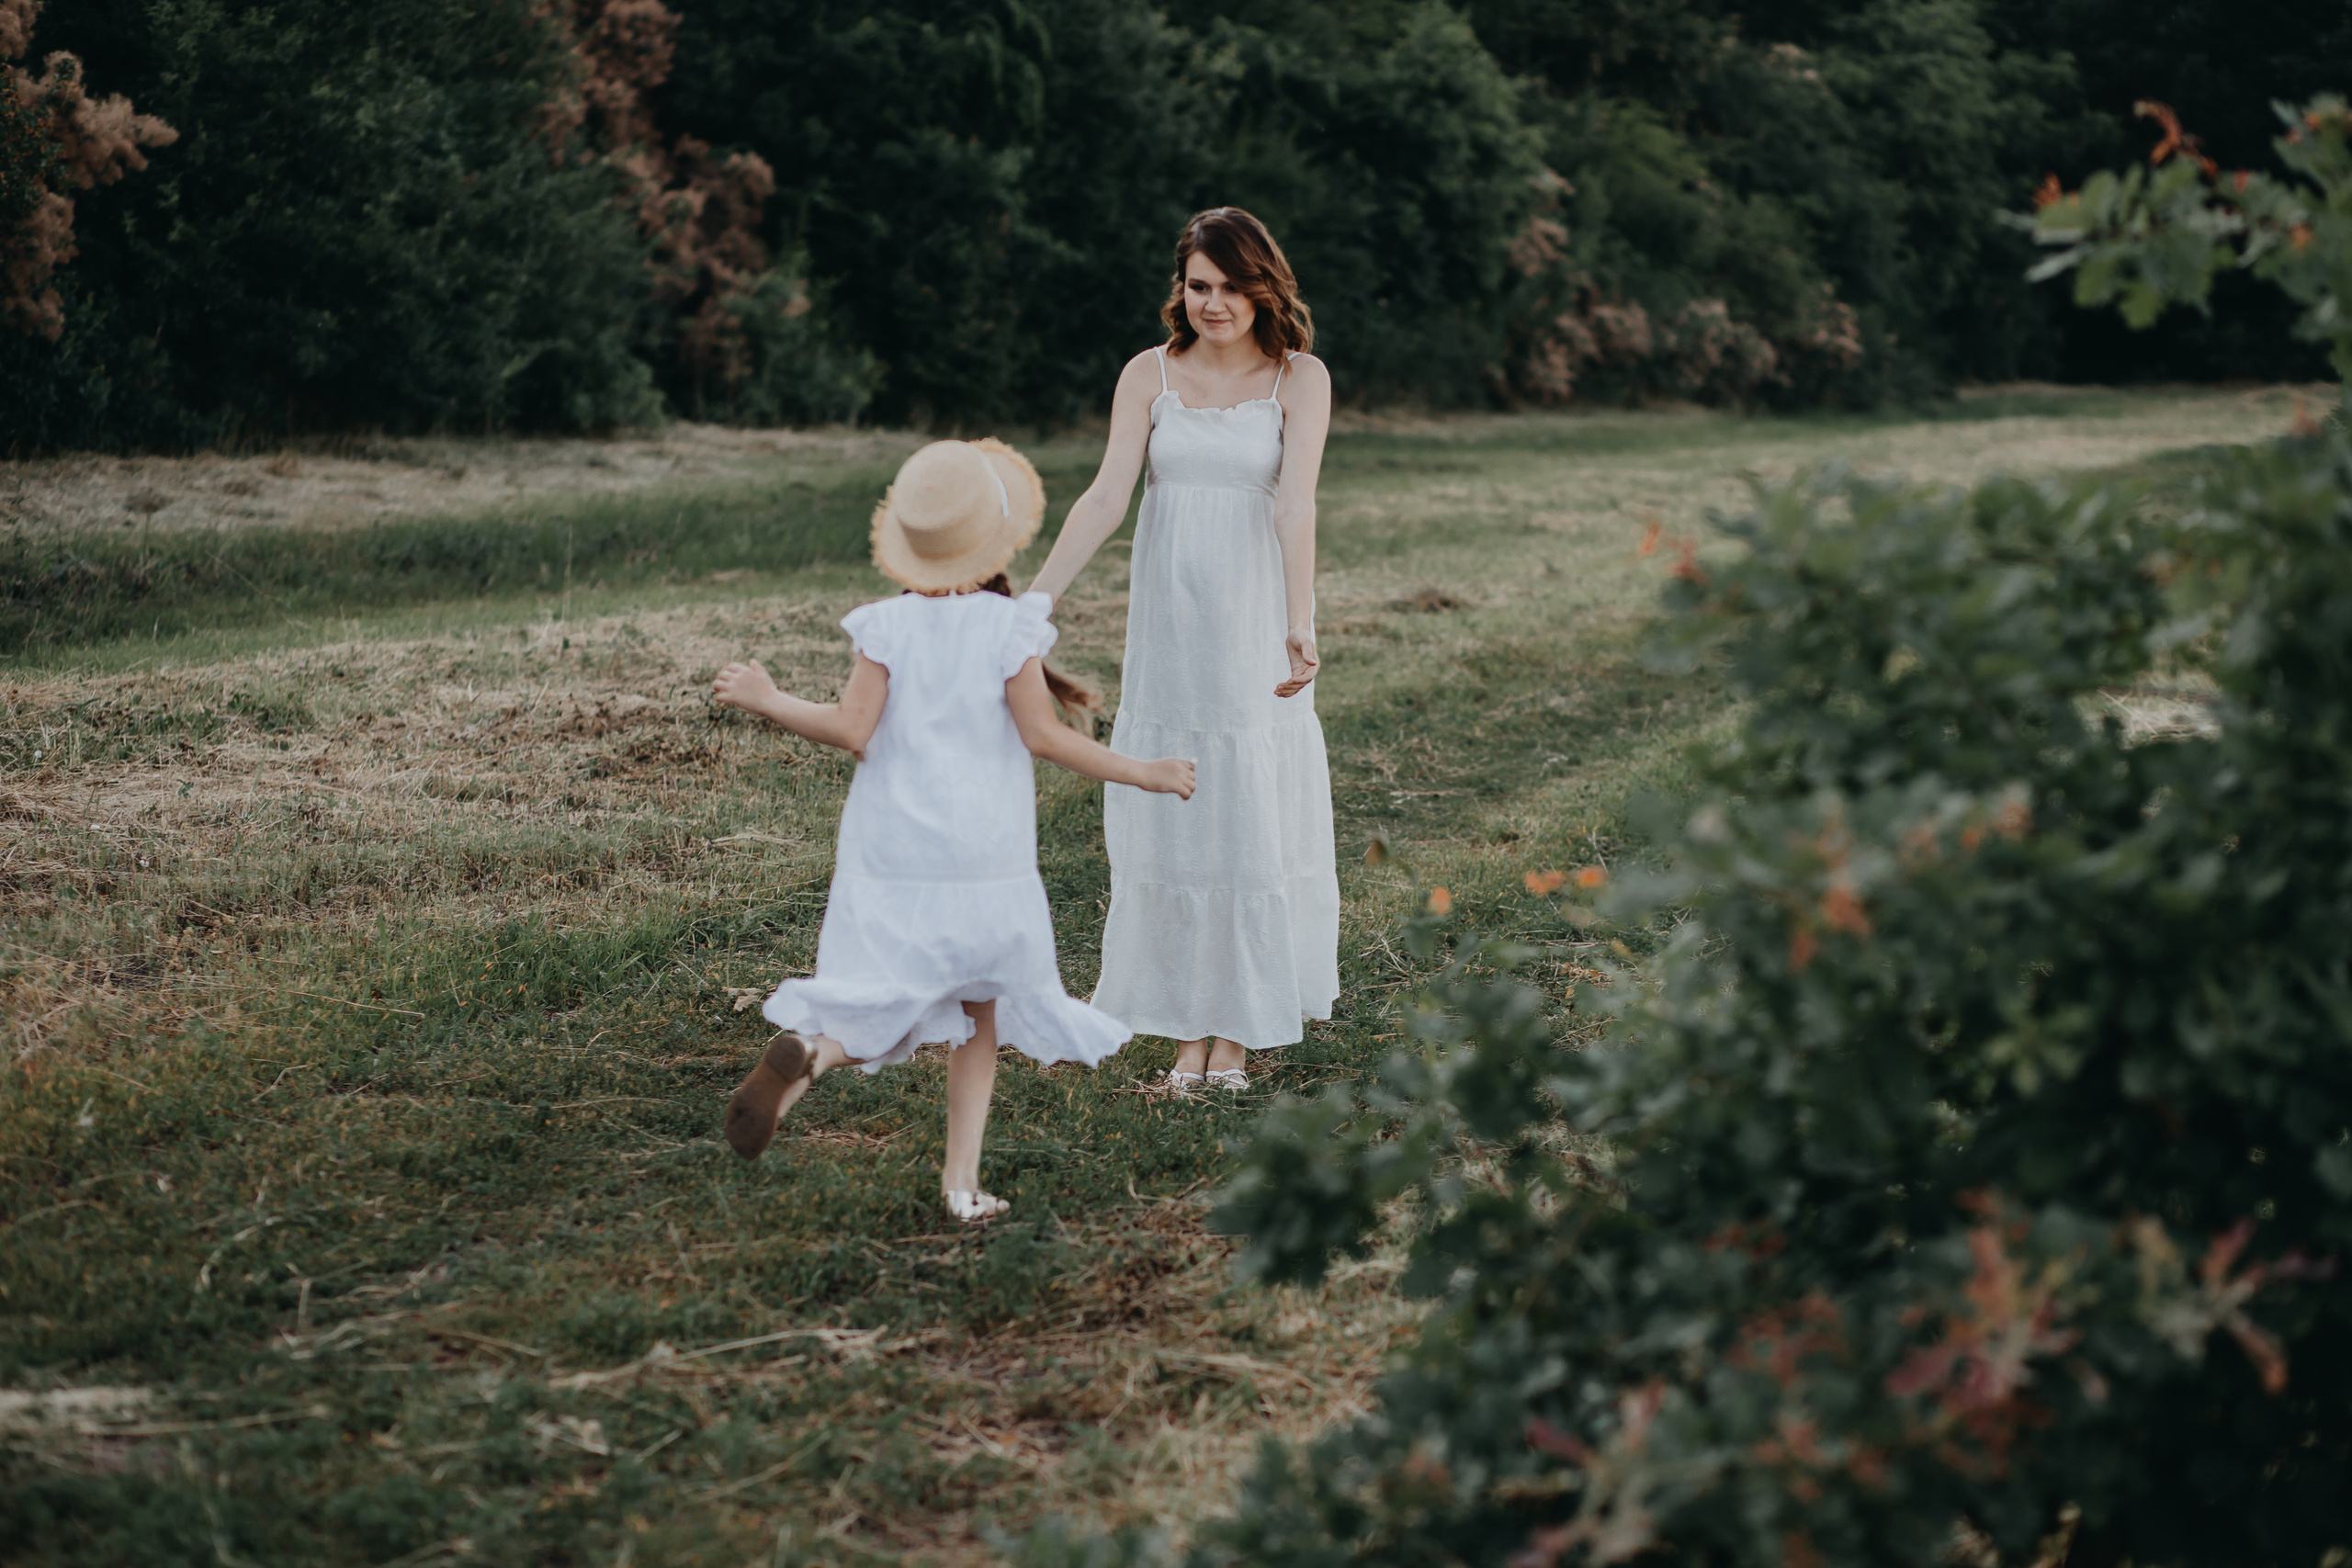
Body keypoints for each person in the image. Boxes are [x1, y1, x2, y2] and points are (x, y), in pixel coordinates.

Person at [714, 437, 1196, 1224]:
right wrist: (1141, 769)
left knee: (888, 993)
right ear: (996, 540)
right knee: (980, 1014)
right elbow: (1045, 736)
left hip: (891, 849)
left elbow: (850, 728)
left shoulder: (888, 627)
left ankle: (818, 1051)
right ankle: (961, 1184)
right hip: (985, 855)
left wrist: (768, 696)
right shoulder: (1010, 629)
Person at [1026, 207, 1340, 1093]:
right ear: (1182, 288)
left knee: (1243, 808)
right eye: (1199, 286)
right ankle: (1184, 1032)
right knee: (1175, 806)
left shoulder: (1298, 378)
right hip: (1169, 634)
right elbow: (1104, 496)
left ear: (1263, 286)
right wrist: (1036, 606)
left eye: (1233, 287)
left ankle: (1233, 1036)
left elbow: (1295, 504)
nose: (1214, 304)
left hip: (1251, 625)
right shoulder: (1147, 374)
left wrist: (1300, 617)